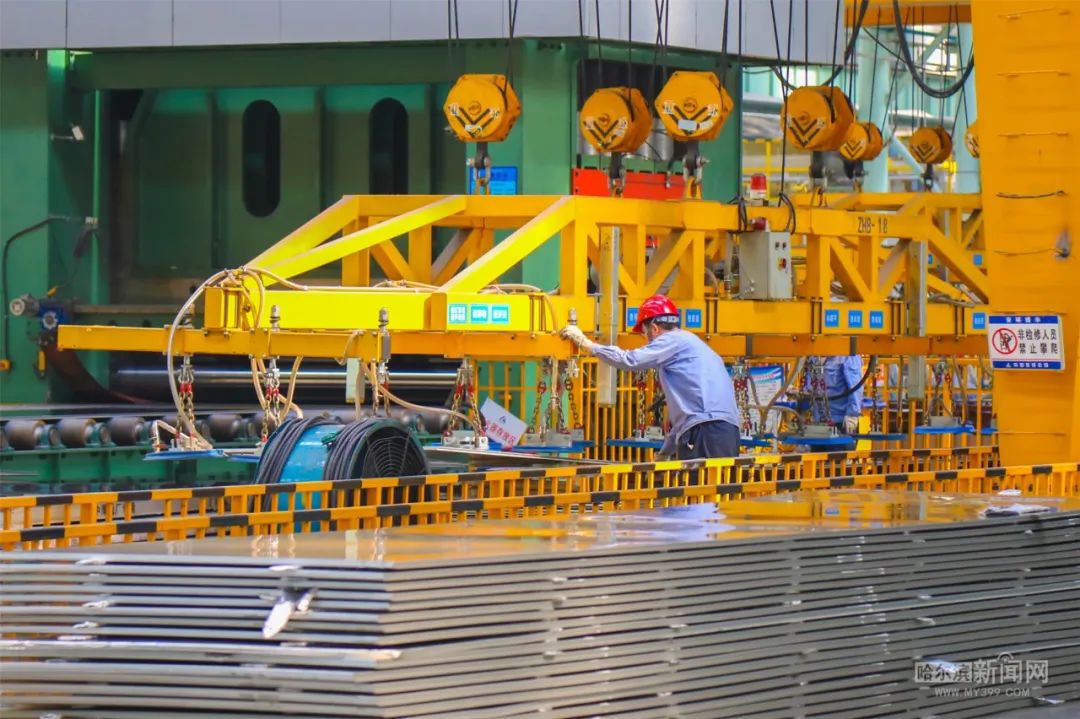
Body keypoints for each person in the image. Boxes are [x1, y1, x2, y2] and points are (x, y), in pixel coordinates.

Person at [560, 294, 741, 459]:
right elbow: (686, 418)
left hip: (706, 432)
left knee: (702, 491)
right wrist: (665, 453)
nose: (646, 340)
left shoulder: (671, 341)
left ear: (654, 328)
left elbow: (629, 360)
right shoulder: (693, 343)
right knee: (718, 491)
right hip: (726, 432)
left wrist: (586, 344)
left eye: (645, 334)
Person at [817, 355, 865, 434]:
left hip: (841, 422)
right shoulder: (814, 356)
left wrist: (852, 415)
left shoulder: (848, 356)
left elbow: (856, 387)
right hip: (817, 421)